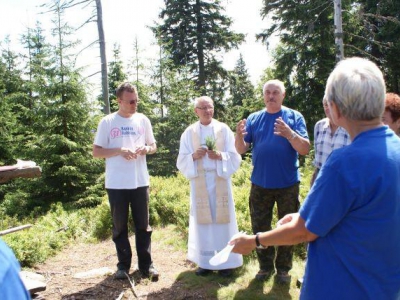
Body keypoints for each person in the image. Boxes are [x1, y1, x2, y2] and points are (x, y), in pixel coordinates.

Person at [231, 57, 400, 300]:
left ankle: (281, 269)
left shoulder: (344, 162)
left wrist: (254, 240)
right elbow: (361, 211)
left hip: (341, 287)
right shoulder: (394, 148)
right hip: (382, 286)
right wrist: (303, 215)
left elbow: (303, 232)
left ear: (337, 109)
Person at [235, 79, 310, 283]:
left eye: (275, 92)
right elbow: (242, 149)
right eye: (267, 92)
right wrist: (237, 137)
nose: (271, 96)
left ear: (283, 95)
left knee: (288, 228)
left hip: (287, 184)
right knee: (260, 226)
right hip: (260, 184)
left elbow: (304, 148)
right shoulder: (254, 118)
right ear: (263, 95)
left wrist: (289, 133)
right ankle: (265, 267)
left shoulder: (294, 116)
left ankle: (284, 269)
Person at [92, 82, 159, 280]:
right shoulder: (107, 122)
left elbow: (153, 145)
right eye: (130, 101)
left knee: (143, 226)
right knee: (119, 226)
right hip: (116, 183)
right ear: (119, 101)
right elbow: (96, 152)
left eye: (136, 100)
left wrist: (146, 149)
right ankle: (123, 266)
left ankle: (146, 266)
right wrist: (120, 150)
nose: (134, 104)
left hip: (140, 181)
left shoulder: (143, 120)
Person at [177, 96, 243, 277]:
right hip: (200, 181)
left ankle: (226, 263)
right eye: (203, 108)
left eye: (210, 107)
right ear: (195, 111)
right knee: (203, 223)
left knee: (223, 223)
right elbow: (181, 160)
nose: (207, 111)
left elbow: (236, 155)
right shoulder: (189, 133)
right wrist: (193, 156)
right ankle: (205, 263)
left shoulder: (224, 130)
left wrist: (220, 156)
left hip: (220, 179)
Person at [310, 97, 350, 186]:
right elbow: (317, 160)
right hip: (320, 179)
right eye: (325, 105)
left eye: (331, 104)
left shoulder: (350, 128)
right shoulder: (319, 126)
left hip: (343, 181)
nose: (328, 108)